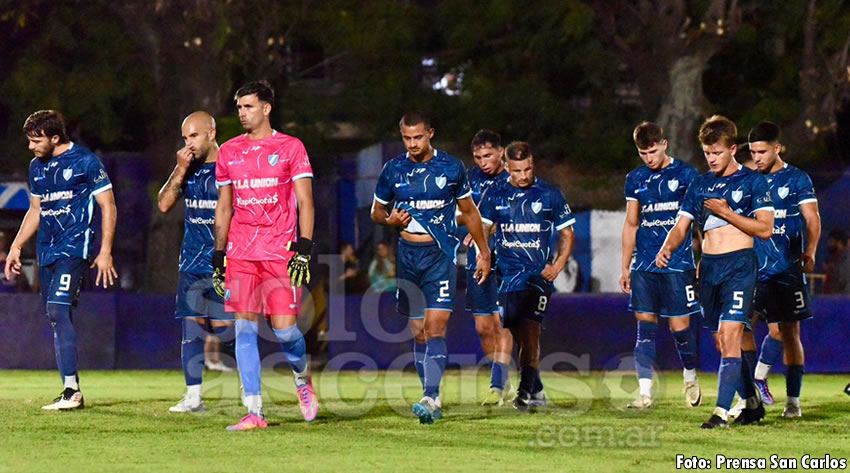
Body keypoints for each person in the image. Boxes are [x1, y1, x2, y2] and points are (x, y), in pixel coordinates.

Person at [371, 111, 491, 424]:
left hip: (440, 254)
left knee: (436, 327)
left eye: (418, 137)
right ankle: (431, 397)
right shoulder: (393, 169)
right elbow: (376, 212)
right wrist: (389, 220)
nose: (412, 144)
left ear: (430, 134)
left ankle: (430, 396)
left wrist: (484, 252)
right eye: (407, 138)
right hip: (408, 256)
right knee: (419, 332)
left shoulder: (451, 167)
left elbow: (470, 212)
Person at [657, 115, 774, 428]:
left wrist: (726, 212)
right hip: (708, 269)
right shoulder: (700, 184)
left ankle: (721, 413)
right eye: (707, 153)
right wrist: (667, 247)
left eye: (717, 152)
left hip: (740, 266)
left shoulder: (753, 181)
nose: (712, 158)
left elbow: (765, 229)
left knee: (731, 333)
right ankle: (751, 402)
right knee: (722, 342)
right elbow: (681, 226)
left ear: (732, 149)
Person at [213, 80, 317, 431]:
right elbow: (224, 207)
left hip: (279, 251)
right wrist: (218, 254)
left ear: (267, 108)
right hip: (241, 253)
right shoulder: (229, 151)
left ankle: (302, 378)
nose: (242, 113)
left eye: (249, 106)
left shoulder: (291, 147)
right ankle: (255, 411)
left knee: (286, 332)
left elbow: (305, 201)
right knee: (244, 329)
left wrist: (304, 248)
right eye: (239, 107)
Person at [4, 110, 118, 410]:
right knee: (56, 316)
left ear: (55, 138)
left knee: (57, 309)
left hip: (75, 248)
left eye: (36, 141)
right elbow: (35, 210)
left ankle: (72, 392)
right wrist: (16, 246)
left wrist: (105, 251)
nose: (30, 146)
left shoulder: (86, 161)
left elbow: (108, 205)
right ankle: (71, 387)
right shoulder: (36, 167)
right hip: (47, 251)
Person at [478, 141, 575, 412]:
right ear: (507, 167)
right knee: (517, 332)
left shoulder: (549, 194)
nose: (523, 176)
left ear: (533, 164)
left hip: (537, 276)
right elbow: (483, 228)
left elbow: (567, 234)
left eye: (528, 169)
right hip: (507, 275)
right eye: (517, 171)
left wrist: (557, 265)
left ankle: (524, 393)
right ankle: (538, 389)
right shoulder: (495, 194)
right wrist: (484, 255)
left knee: (531, 331)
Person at [737, 121, 820, 418]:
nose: (757, 157)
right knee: (739, 327)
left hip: (786, 269)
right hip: (753, 269)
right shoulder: (748, 181)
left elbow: (812, 218)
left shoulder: (797, 179)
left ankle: (792, 401)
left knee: (787, 332)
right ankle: (750, 394)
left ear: (777, 148)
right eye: (753, 152)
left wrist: (811, 250)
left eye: (762, 152)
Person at [157, 111, 236, 413]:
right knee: (192, 330)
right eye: (185, 137)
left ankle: (250, 389)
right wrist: (179, 169)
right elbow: (164, 204)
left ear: (211, 134)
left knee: (227, 332)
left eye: (194, 136)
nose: (188, 143)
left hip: (224, 262)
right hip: (191, 262)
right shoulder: (186, 169)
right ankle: (193, 397)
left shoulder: (231, 167)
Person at [620, 122, 701, 409]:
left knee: (680, 327)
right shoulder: (635, 178)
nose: (649, 158)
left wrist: (704, 257)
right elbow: (631, 223)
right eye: (643, 153)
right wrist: (625, 266)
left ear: (664, 144)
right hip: (644, 265)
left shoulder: (686, 174)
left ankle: (690, 377)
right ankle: (645, 393)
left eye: (653, 152)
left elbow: (697, 220)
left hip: (678, 264)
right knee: (645, 327)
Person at [460, 129, 514, 407]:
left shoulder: (514, 178)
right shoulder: (469, 179)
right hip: (476, 260)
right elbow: (460, 214)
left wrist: (486, 229)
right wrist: (472, 225)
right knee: (483, 327)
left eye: (488, 155)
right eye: (478, 157)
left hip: (507, 261)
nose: (483, 162)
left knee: (501, 322)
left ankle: (497, 384)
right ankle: (505, 380)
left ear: (501, 152)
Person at [825, 229, 850, 294]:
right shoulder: (838, 258)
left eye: (831, 242)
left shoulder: (847, 259)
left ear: (840, 242)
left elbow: (843, 281)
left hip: (843, 298)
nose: (829, 245)